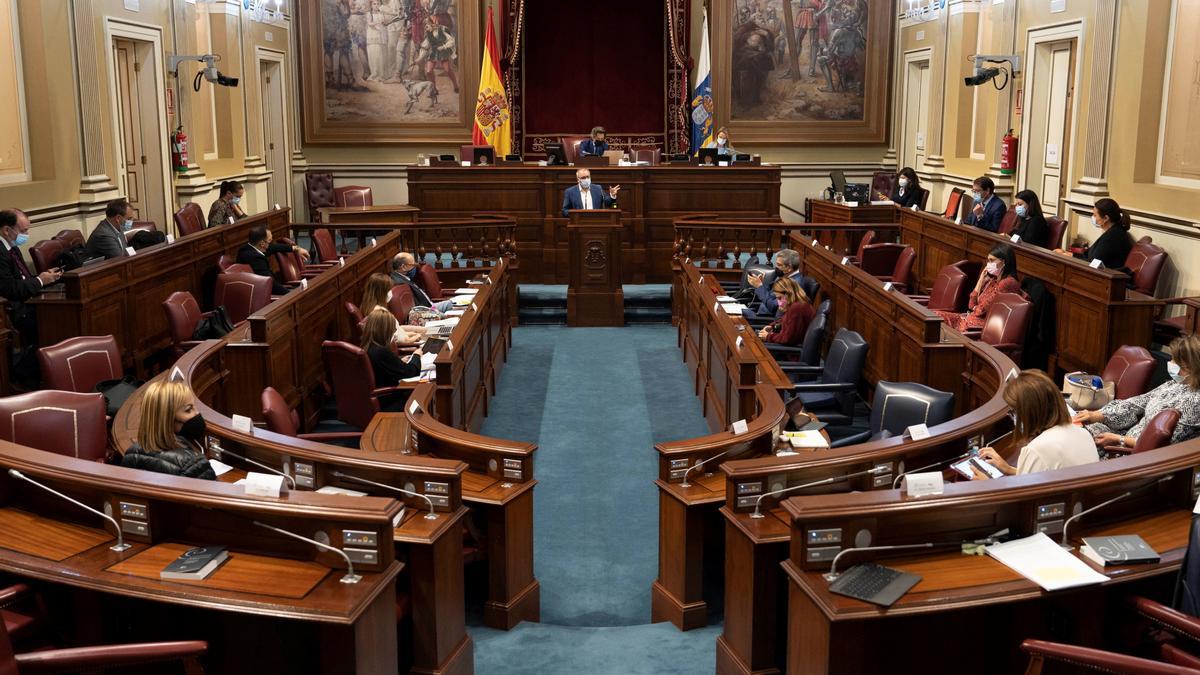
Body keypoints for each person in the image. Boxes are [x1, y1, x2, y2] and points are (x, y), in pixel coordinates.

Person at [1073, 334, 1200, 448]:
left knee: (1077, 446)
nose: (1170, 363)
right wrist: (1100, 415)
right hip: (1125, 436)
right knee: (1075, 432)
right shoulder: (1177, 384)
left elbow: (1161, 446)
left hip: (1134, 456)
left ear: (1190, 368)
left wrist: (1120, 440)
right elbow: (1137, 403)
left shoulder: (1194, 403)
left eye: (1175, 362)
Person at [972, 370, 1098, 477]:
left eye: (1014, 412)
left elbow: (1021, 502)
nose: (1013, 417)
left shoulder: (1037, 450)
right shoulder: (1084, 434)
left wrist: (987, 484)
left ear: (1029, 413)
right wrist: (1008, 469)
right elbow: (1047, 477)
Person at [1, 209, 61, 386]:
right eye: (23, 231)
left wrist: (45, 278)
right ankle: (26, 373)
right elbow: (10, 289)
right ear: (6, 230)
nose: (27, 235)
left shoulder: (12, 247)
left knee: (62, 313)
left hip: (29, 300)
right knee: (55, 322)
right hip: (14, 309)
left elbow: (25, 279)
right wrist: (40, 281)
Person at [121, 380, 216, 480]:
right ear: (167, 419)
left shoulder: (131, 454)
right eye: (188, 410)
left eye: (195, 407)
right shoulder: (193, 465)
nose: (197, 413)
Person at [933, 244, 1022, 332]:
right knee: (934, 316)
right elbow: (971, 305)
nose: (988, 264)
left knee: (935, 322)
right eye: (988, 261)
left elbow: (980, 311)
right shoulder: (993, 280)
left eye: (992, 261)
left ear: (1004, 262)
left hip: (978, 327)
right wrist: (981, 280)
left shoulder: (1007, 283)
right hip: (969, 319)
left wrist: (976, 308)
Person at [362, 307, 422, 407]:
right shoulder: (381, 352)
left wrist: (398, 362)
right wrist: (417, 355)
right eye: (392, 330)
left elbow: (385, 369)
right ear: (385, 330)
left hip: (377, 399)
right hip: (390, 401)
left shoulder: (368, 347)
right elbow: (410, 372)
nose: (393, 333)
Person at [1054, 198, 1133, 270]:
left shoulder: (1114, 236)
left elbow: (1094, 263)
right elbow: (1088, 254)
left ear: (1105, 218)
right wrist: (1069, 254)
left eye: (1095, 215)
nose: (1093, 217)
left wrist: (1068, 257)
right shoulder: (1113, 232)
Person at [236, 224, 310, 295]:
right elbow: (271, 284)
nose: (270, 244)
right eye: (269, 241)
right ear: (262, 244)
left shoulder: (248, 249)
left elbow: (273, 247)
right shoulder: (255, 258)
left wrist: (295, 248)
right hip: (262, 297)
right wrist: (291, 294)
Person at [743, 248, 811, 319]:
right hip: (760, 312)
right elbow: (770, 295)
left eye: (779, 265)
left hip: (765, 319)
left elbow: (773, 306)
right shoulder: (784, 275)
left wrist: (759, 286)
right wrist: (762, 284)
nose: (776, 267)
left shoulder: (794, 284)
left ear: (789, 268)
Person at [361, 272, 424, 345]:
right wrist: (416, 336)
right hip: (406, 347)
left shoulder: (369, 306)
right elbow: (396, 340)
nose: (391, 292)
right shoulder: (380, 313)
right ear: (382, 292)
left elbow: (396, 330)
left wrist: (412, 333)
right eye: (389, 290)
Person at [390, 252, 454, 312]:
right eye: (413, 264)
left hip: (430, 306)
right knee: (455, 304)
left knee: (456, 302)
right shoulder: (400, 283)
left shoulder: (402, 278)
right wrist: (439, 314)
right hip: (430, 310)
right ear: (403, 267)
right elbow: (418, 308)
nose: (415, 267)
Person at [758, 277, 814, 345]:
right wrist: (773, 326)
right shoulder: (799, 303)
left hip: (789, 352)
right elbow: (787, 320)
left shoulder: (797, 308)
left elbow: (787, 339)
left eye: (780, 298)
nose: (779, 302)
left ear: (788, 294)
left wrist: (768, 336)